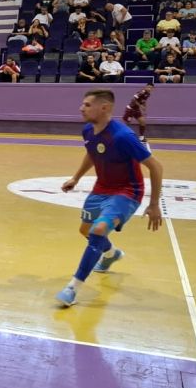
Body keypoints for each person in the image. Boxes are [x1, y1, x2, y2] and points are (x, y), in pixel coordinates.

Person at [55, 89, 164, 307]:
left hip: (127, 192)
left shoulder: (123, 137)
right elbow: (92, 152)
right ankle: (111, 254)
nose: (81, 108)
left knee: (98, 230)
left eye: (87, 105)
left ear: (104, 108)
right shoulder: (88, 130)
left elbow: (156, 167)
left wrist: (154, 204)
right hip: (101, 189)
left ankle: (72, 288)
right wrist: (76, 178)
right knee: (86, 231)